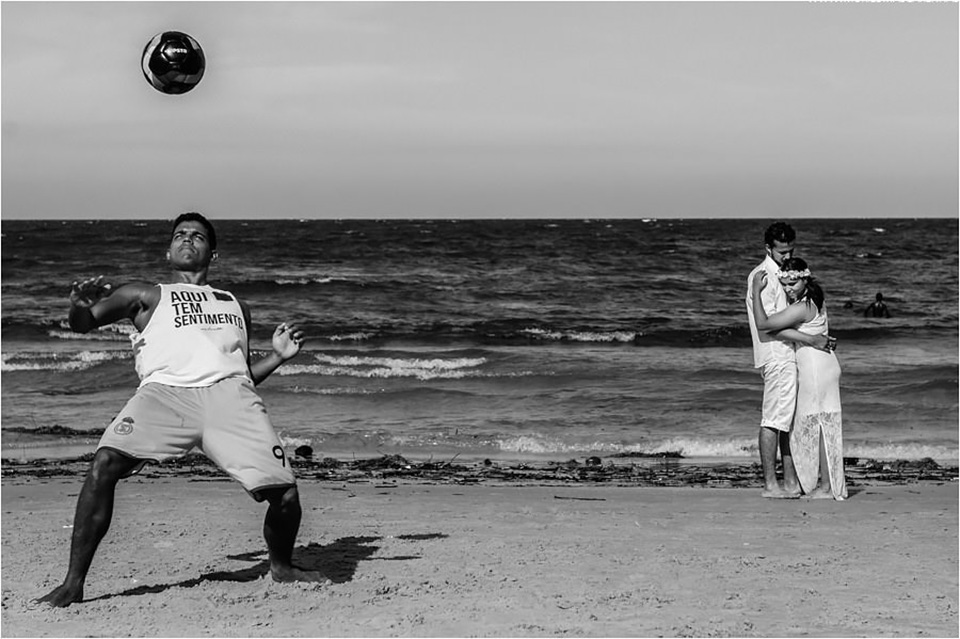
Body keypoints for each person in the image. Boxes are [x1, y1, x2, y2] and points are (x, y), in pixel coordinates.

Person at [38, 212, 327, 608]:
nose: (187, 239)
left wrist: (276, 357)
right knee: (104, 464)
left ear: (213, 252)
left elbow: (240, 373)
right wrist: (78, 307)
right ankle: (73, 583)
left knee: (286, 497)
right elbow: (83, 324)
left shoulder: (233, 304)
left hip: (229, 399)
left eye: (197, 236)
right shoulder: (146, 294)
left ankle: (281, 565)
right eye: (180, 235)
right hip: (164, 396)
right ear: (168, 250)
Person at [745, 222, 832, 499]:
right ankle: (771, 484)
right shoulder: (764, 277)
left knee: (786, 421)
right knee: (773, 420)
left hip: (785, 353)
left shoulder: (784, 273)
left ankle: (791, 482)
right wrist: (811, 340)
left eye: (790, 250)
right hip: (777, 354)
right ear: (768, 248)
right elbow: (768, 325)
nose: (786, 256)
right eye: (781, 251)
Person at [752, 257, 846, 500]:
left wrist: (755, 290)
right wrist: (799, 335)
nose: (788, 288)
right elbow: (776, 328)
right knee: (824, 426)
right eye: (784, 284)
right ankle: (826, 484)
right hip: (823, 364)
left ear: (805, 279)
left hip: (815, 367)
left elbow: (762, 324)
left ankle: (826, 487)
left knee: (822, 427)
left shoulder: (803, 306)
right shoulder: (814, 300)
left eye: (793, 283)